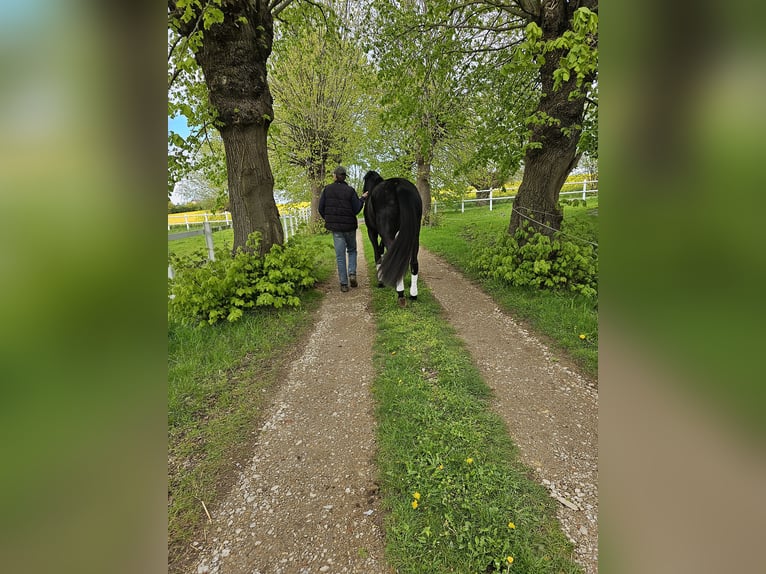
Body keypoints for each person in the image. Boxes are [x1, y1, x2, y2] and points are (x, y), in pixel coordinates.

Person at [318, 165, 368, 292]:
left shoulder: (327, 190)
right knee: (352, 250)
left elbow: (321, 208)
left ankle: (344, 284)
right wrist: (362, 198)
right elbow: (356, 209)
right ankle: (352, 273)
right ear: (345, 177)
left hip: (336, 229)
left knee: (340, 256)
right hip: (349, 227)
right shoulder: (350, 190)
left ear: (335, 176)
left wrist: (329, 219)